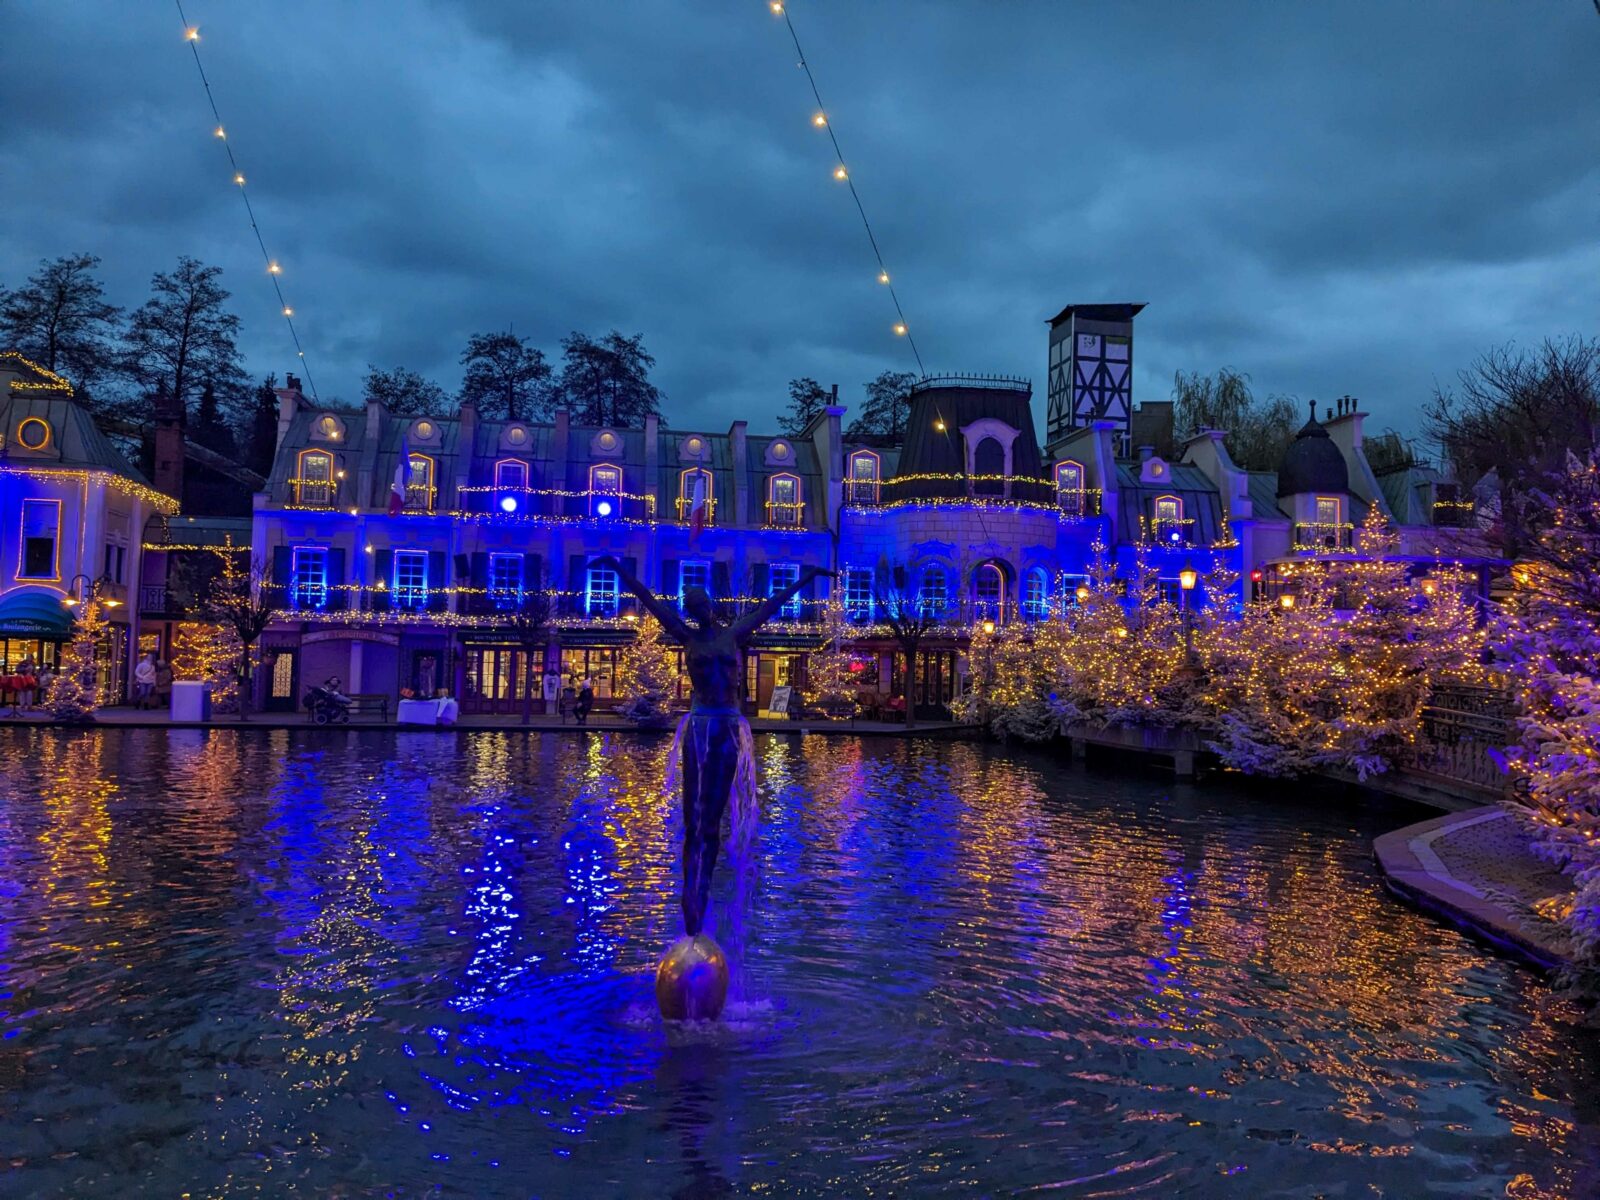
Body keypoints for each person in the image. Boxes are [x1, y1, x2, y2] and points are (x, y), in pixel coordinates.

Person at [593, 554, 829, 936]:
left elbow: (772, 605)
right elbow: (649, 601)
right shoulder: (688, 636)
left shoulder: (732, 634)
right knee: (694, 817)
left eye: (698, 605)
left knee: (713, 816)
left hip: (726, 725)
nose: (695, 610)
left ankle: (703, 882)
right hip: (701, 724)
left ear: (710, 606)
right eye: (690, 607)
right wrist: (618, 570)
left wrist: (809, 578)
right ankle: (692, 889)